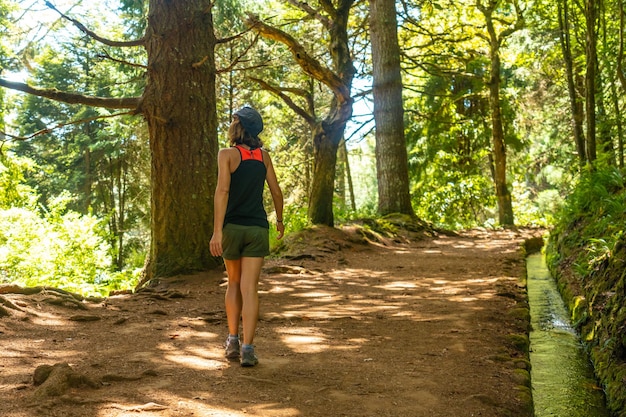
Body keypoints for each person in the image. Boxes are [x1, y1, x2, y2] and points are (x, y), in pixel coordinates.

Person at [209, 106, 284, 367]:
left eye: (233, 121)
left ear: (238, 126)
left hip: (232, 228)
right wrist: (280, 220)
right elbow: (276, 191)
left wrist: (217, 231)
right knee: (250, 288)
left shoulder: (227, 154)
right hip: (257, 228)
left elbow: (222, 191)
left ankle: (232, 341)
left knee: (233, 284)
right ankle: (248, 349)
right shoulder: (263, 157)